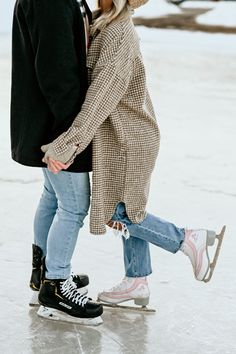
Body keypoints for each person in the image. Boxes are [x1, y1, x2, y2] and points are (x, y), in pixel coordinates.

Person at [41, 0, 225, 308]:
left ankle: (187, 240)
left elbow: (99, 100)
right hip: (125, 136)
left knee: (121, 212)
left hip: (129, 140)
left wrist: (69, 144)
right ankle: (137, 280)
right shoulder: (103, 23)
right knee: (127, 207)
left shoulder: (118, 34)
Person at [10, 0, 103, 324]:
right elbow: (57, 72)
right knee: (75, 206)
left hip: (45, 123)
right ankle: (56, 286)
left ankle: (45, 275)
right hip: (56, 127)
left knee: (53, 198)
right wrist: (70, 139)